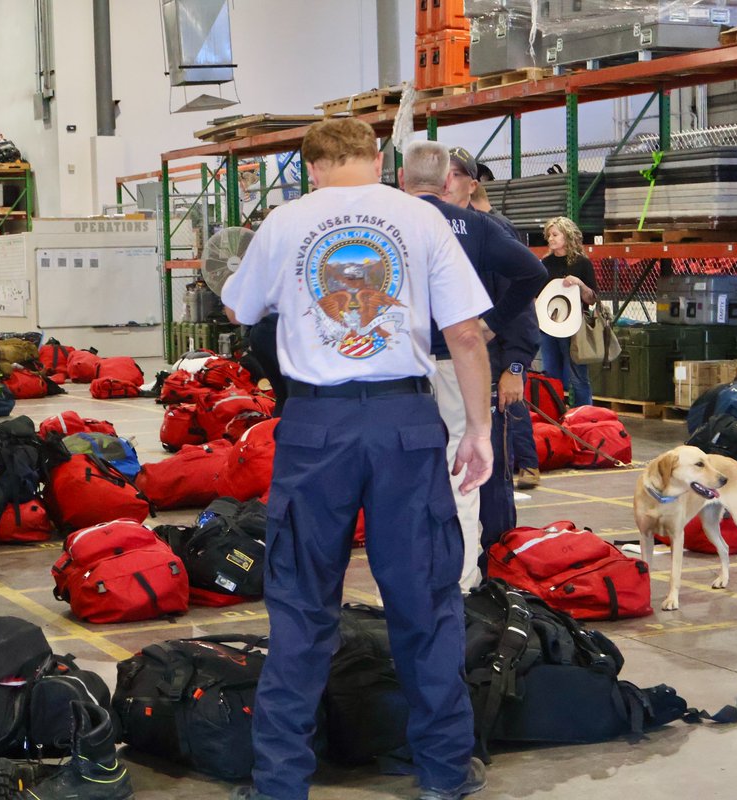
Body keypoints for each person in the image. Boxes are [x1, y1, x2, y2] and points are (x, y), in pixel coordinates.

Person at [221, 118, 493, 800]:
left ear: (309, 165)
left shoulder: (284, 223)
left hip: (315, 425)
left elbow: (239, 309)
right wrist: (479, 429)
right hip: (404, 423)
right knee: (425, 603)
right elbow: (464, 333)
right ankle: (441, 775)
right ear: (380, 157)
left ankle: (281, 783)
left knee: (302, 607)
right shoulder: (422, 218)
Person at [404, 142, 546, 590]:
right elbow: (533, 274)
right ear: (448, 181)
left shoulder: (382, 220)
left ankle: (409, 588)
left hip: (394, 370)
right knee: (464, 475)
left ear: (402, 182)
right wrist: (491, 325)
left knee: (401, 478)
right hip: (455, 364)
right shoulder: (477, 227)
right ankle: (463, 585)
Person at [470, 175, 541, 490]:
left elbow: (520, 305)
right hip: (485, 358)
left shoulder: (493, 231)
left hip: (500, 358)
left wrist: (516, 366)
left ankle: (527, 464)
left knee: (510, 409)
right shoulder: (478, 229)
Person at [540, 216, 597, 407]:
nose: (550, 239)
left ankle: (584, 417)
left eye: (555, 234)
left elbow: (591, 298)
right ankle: (555, 414)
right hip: (548, 327)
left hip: (574, 328)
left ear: (567, 235)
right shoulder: (545, 264)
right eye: (549, 235)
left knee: (578, 377)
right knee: (551, 374)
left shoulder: (582, 263)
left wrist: (579, 283)